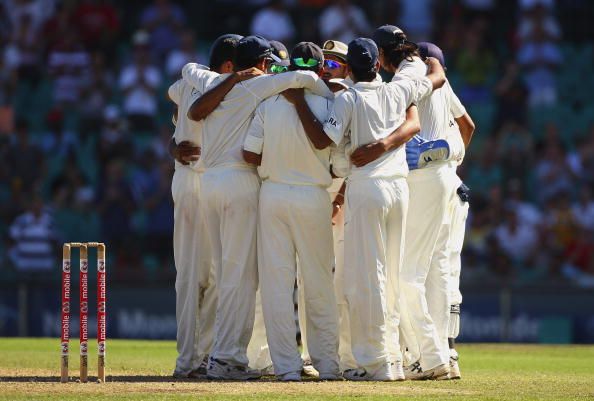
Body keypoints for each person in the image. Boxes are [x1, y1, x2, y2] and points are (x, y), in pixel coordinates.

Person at [287, 37, 446, 380]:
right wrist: (432, 62)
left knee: (366, 278)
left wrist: (298, 101)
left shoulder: (348, 98)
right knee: (389, 274)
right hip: (398, 188)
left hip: (367, 188)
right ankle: (391, 358)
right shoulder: (396, 90)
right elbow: (429, 92)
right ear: (377, 64)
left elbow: (320, 141)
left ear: (351, 70)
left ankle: (375, 363)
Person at [184, 35, 333, 380]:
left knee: (228, 274)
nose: (270, 68)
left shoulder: (215, 80)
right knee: (240, 277)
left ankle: (227, 356)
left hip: (209, 183)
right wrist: (333, 90)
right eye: (267, 63)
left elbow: (188, 70)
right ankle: (226, 359)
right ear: (260, 63)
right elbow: (304, 78)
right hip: (239, 184)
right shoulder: (258, 85)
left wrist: (232, 76)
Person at [372, 27, 469, 380]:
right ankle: (444, 355)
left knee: (406, 274)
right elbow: (467, 125)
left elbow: (412, 117)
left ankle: (429, 358)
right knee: (433, 272)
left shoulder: (407, 75)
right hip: (443, 179)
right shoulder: (429, 71)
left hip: (422, 179)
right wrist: (451, 165)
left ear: (382, 56)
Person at [243, 42, 340, 382]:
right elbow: (336, 159)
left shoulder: (269, 102)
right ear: (319, 65)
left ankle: (286, 367)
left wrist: (277, 160)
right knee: (319, 283)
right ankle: (327, 365)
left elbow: (250, 156)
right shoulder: (330, 101)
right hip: (313, 196)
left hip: (273, 194)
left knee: (276, 284)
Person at [167, 34, 246, 379]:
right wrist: (174, 146)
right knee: (193, 275)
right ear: (228, 66)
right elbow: (184, 113)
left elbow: (175, 109)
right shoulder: (211, 84)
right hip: (195, 180)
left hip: (205, 181)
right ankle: (189, 361)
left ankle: (205, 357)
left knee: (214, 275)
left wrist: (173, 143)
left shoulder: (191, 82)